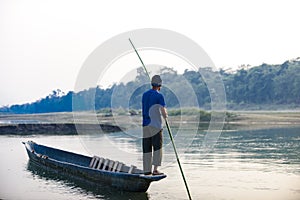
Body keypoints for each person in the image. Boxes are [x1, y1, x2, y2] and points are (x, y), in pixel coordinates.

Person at [142, 75, 168, 175]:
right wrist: (166, 116)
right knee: (158, 148)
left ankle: (147, 170)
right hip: (156, 126)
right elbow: (163, 110)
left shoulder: (145, 95)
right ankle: (155, 170)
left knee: (147, 148)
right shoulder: (159, 95)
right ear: (160, 84)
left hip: (145, 125)